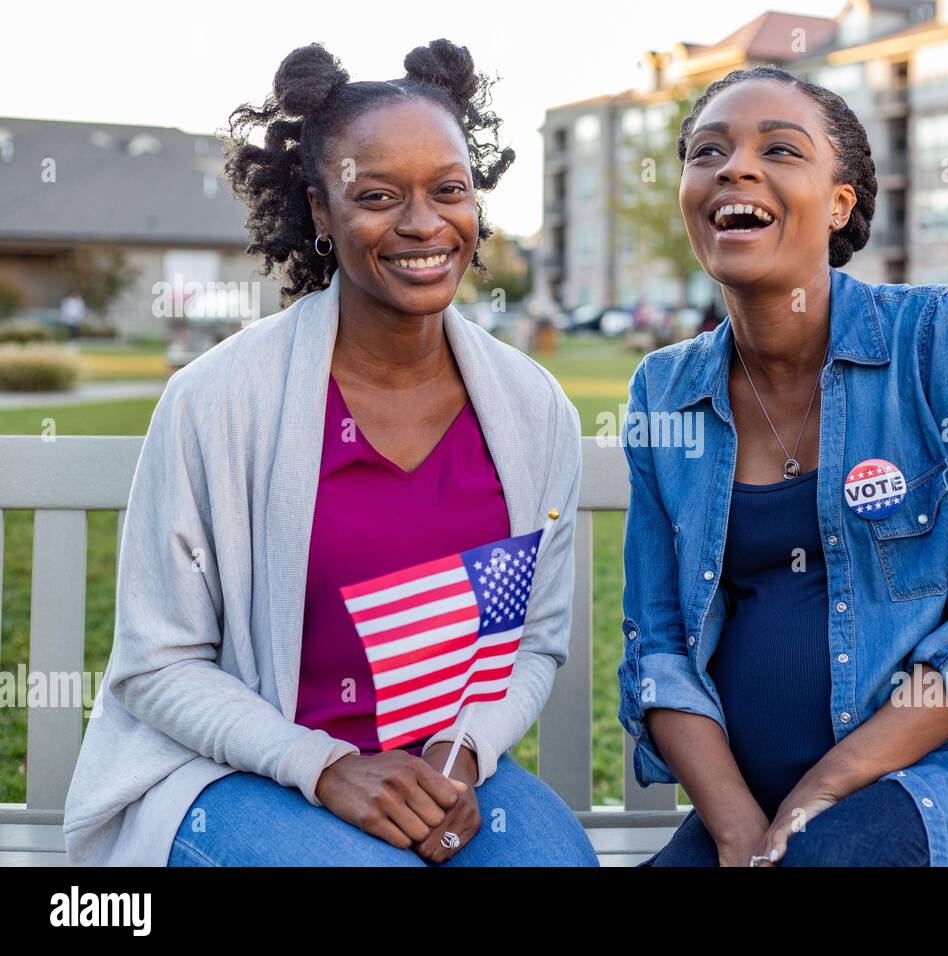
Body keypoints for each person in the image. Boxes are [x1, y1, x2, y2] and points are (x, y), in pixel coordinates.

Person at [62, 40, 597, 867]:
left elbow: (534, 642)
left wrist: (463, 753)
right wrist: (328, 767)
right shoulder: (221, 400)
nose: (424, 225)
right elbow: (158, 665)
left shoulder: (532, 412)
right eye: (378, 196)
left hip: (437, 766)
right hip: (234, 770)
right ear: (321, 211)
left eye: (449, 191)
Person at [616, 66, 948, 867]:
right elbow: (661, 653)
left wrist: (826, 789)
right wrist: (739, 827)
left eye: (779, 149)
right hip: (759, 805)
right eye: (707, 151)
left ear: (842, 203)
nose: (735, 168)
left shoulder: (931, 341)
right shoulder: (664, 392)